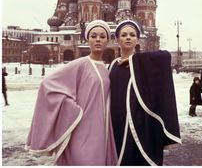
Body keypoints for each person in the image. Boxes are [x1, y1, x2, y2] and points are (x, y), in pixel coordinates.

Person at [26, 20, 117, 166]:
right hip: (81, 130)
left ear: (108, 39)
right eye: (93, 36)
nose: (98, 39)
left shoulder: (107, 69)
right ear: (87, 39)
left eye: (102, 36)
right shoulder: (80, 64)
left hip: (102, 131)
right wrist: (73, 109)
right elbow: (47, 85)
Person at [109, 19, 181, 166]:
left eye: (132, 34)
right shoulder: (113, 66)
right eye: (124, 35)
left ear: (137, 40)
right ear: (117, 40)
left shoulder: (144, 62)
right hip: (117, 123)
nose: (128, 37)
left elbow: (164, 56)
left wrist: (134, 60)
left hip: (142, 123)